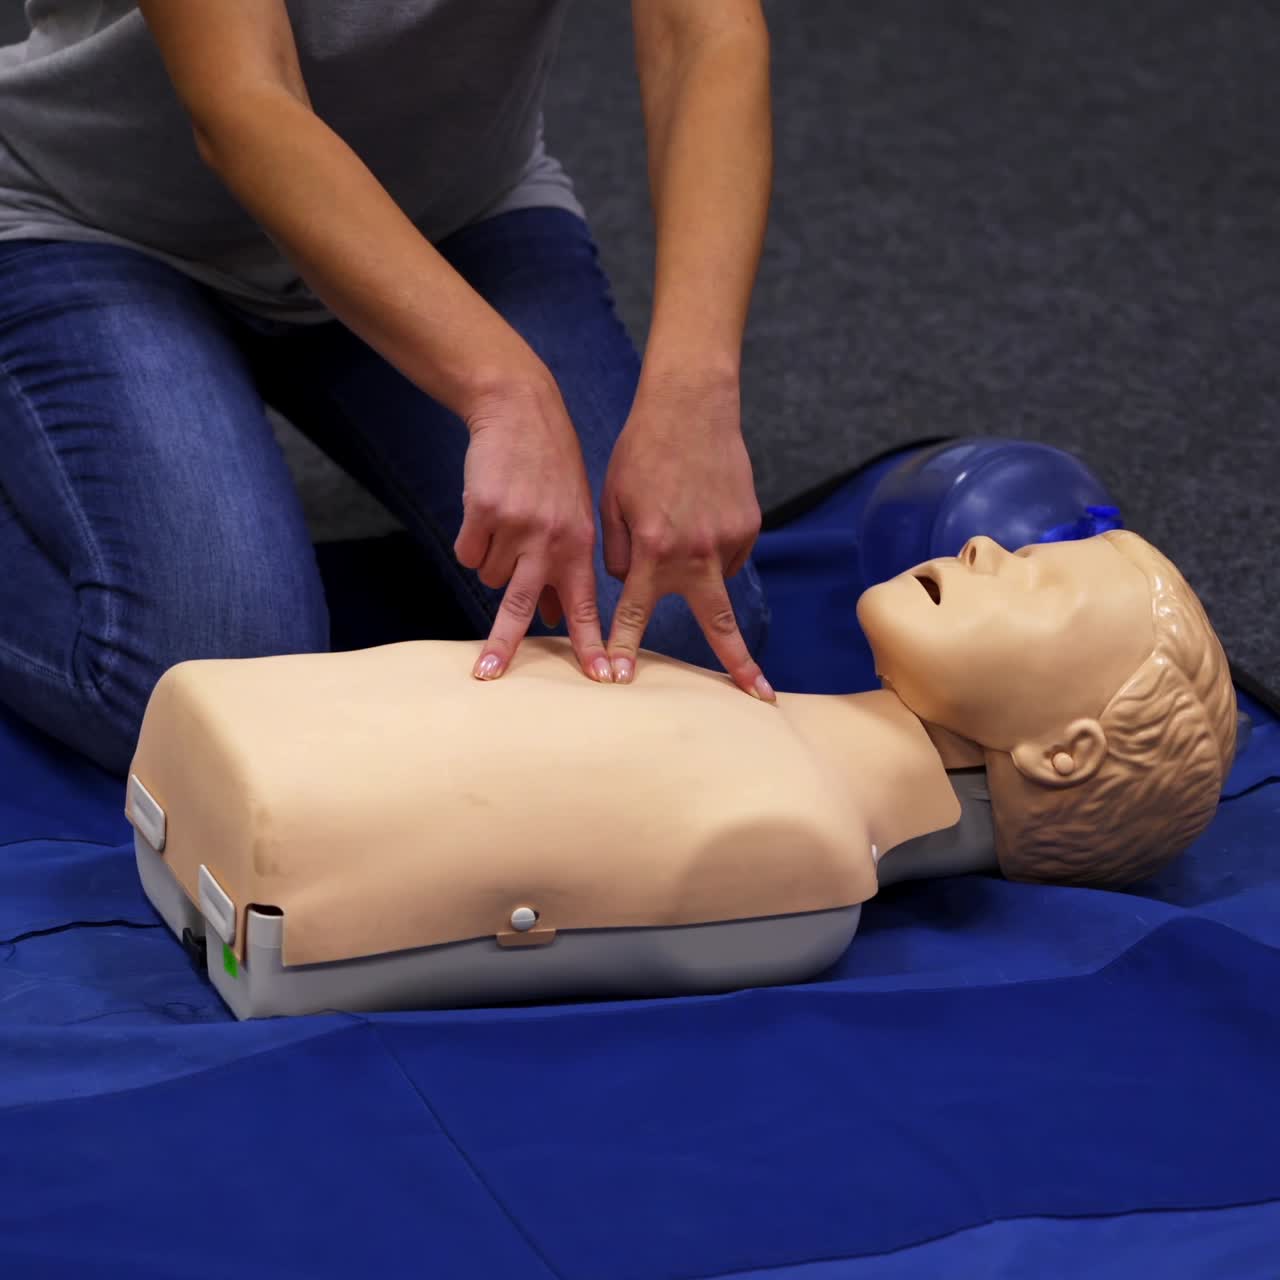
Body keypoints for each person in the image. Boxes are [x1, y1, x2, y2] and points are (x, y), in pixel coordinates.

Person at [0, 0, 775, 779]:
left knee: (671, 642)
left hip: (442, 221)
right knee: (212, 687)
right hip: (99, 224)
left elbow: (702, 35)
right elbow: (246, 100)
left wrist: (695, 396)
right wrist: (508, 391)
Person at [126, 531, 1237, 1014]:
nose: (990, 549)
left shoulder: (803, 853)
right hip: (243, 782)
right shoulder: (760, 746)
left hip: (269, 847)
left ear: (1063, 755)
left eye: (1041, 583)